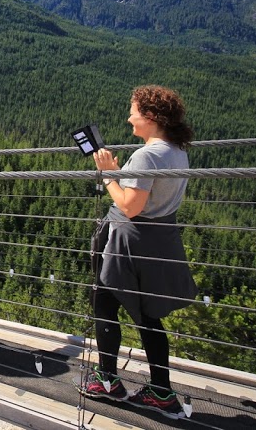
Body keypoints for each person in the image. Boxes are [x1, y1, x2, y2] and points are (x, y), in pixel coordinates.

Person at [82, 85, 197, 420]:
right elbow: (147, 194)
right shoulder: (176, 149)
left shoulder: (148, 155)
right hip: (158, 239)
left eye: (132, 111)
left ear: (150, 116)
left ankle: (107, 381)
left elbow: (131, 206)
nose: (128, 117)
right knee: (149, 315)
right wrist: (120, 173)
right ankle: (161, 391)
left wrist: (106, 176)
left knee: (104, 302)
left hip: (128, 241)